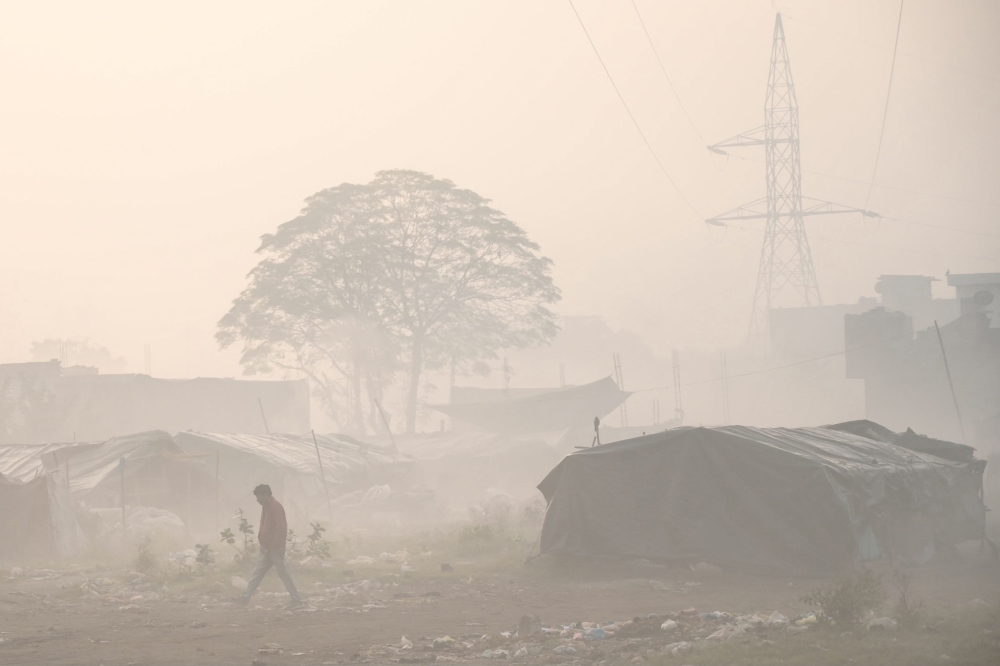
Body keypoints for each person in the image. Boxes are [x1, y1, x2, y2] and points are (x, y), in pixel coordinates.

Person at [235, 484, 303, 609]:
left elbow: (280, 529)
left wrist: (273, 547)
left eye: (259, 497)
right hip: (268, 548)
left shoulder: (275, 507)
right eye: (257, 497)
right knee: (258, 573)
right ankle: (245, 598)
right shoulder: (267, 506)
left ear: (266, 495)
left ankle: (297, 601)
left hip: (274, 549)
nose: (258, 500)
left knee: (283, 574)